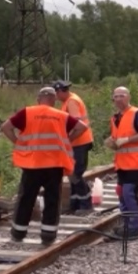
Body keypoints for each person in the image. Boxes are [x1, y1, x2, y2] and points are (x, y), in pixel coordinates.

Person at [0, 86, 89, 245]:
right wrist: (68, 140)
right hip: (54, 165)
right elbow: (82, 127)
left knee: (26, 198)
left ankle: (18, 233)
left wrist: (18, 142)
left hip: (32, 163)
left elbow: (5, 127)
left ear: (38, 99)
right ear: (54, 100)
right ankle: (48, 235)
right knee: (52, 199)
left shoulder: (27, 113)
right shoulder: (61, 115)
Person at [104, 86, 138, 239]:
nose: (118, 99)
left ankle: (134, 227)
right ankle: (127, 223)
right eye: (116, 96)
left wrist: (128, 140)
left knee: (129, 193)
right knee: (122, 194)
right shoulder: (115, 118)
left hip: (136, 163)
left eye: (122, 95)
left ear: (128, 97)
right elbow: (117, 138)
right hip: (122, 164)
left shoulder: (136, 114)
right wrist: (112, 142)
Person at [52, 80, 94, 214]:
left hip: (79, 142)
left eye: (56, 94)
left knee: (75, 174)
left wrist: (67, 140)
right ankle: (75, 203)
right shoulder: (68, 101)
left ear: (60, 91)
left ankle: (86, 205)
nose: (56, 97)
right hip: (77, 142)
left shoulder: (71, 101)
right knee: (72, 174)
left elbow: (76, 124)